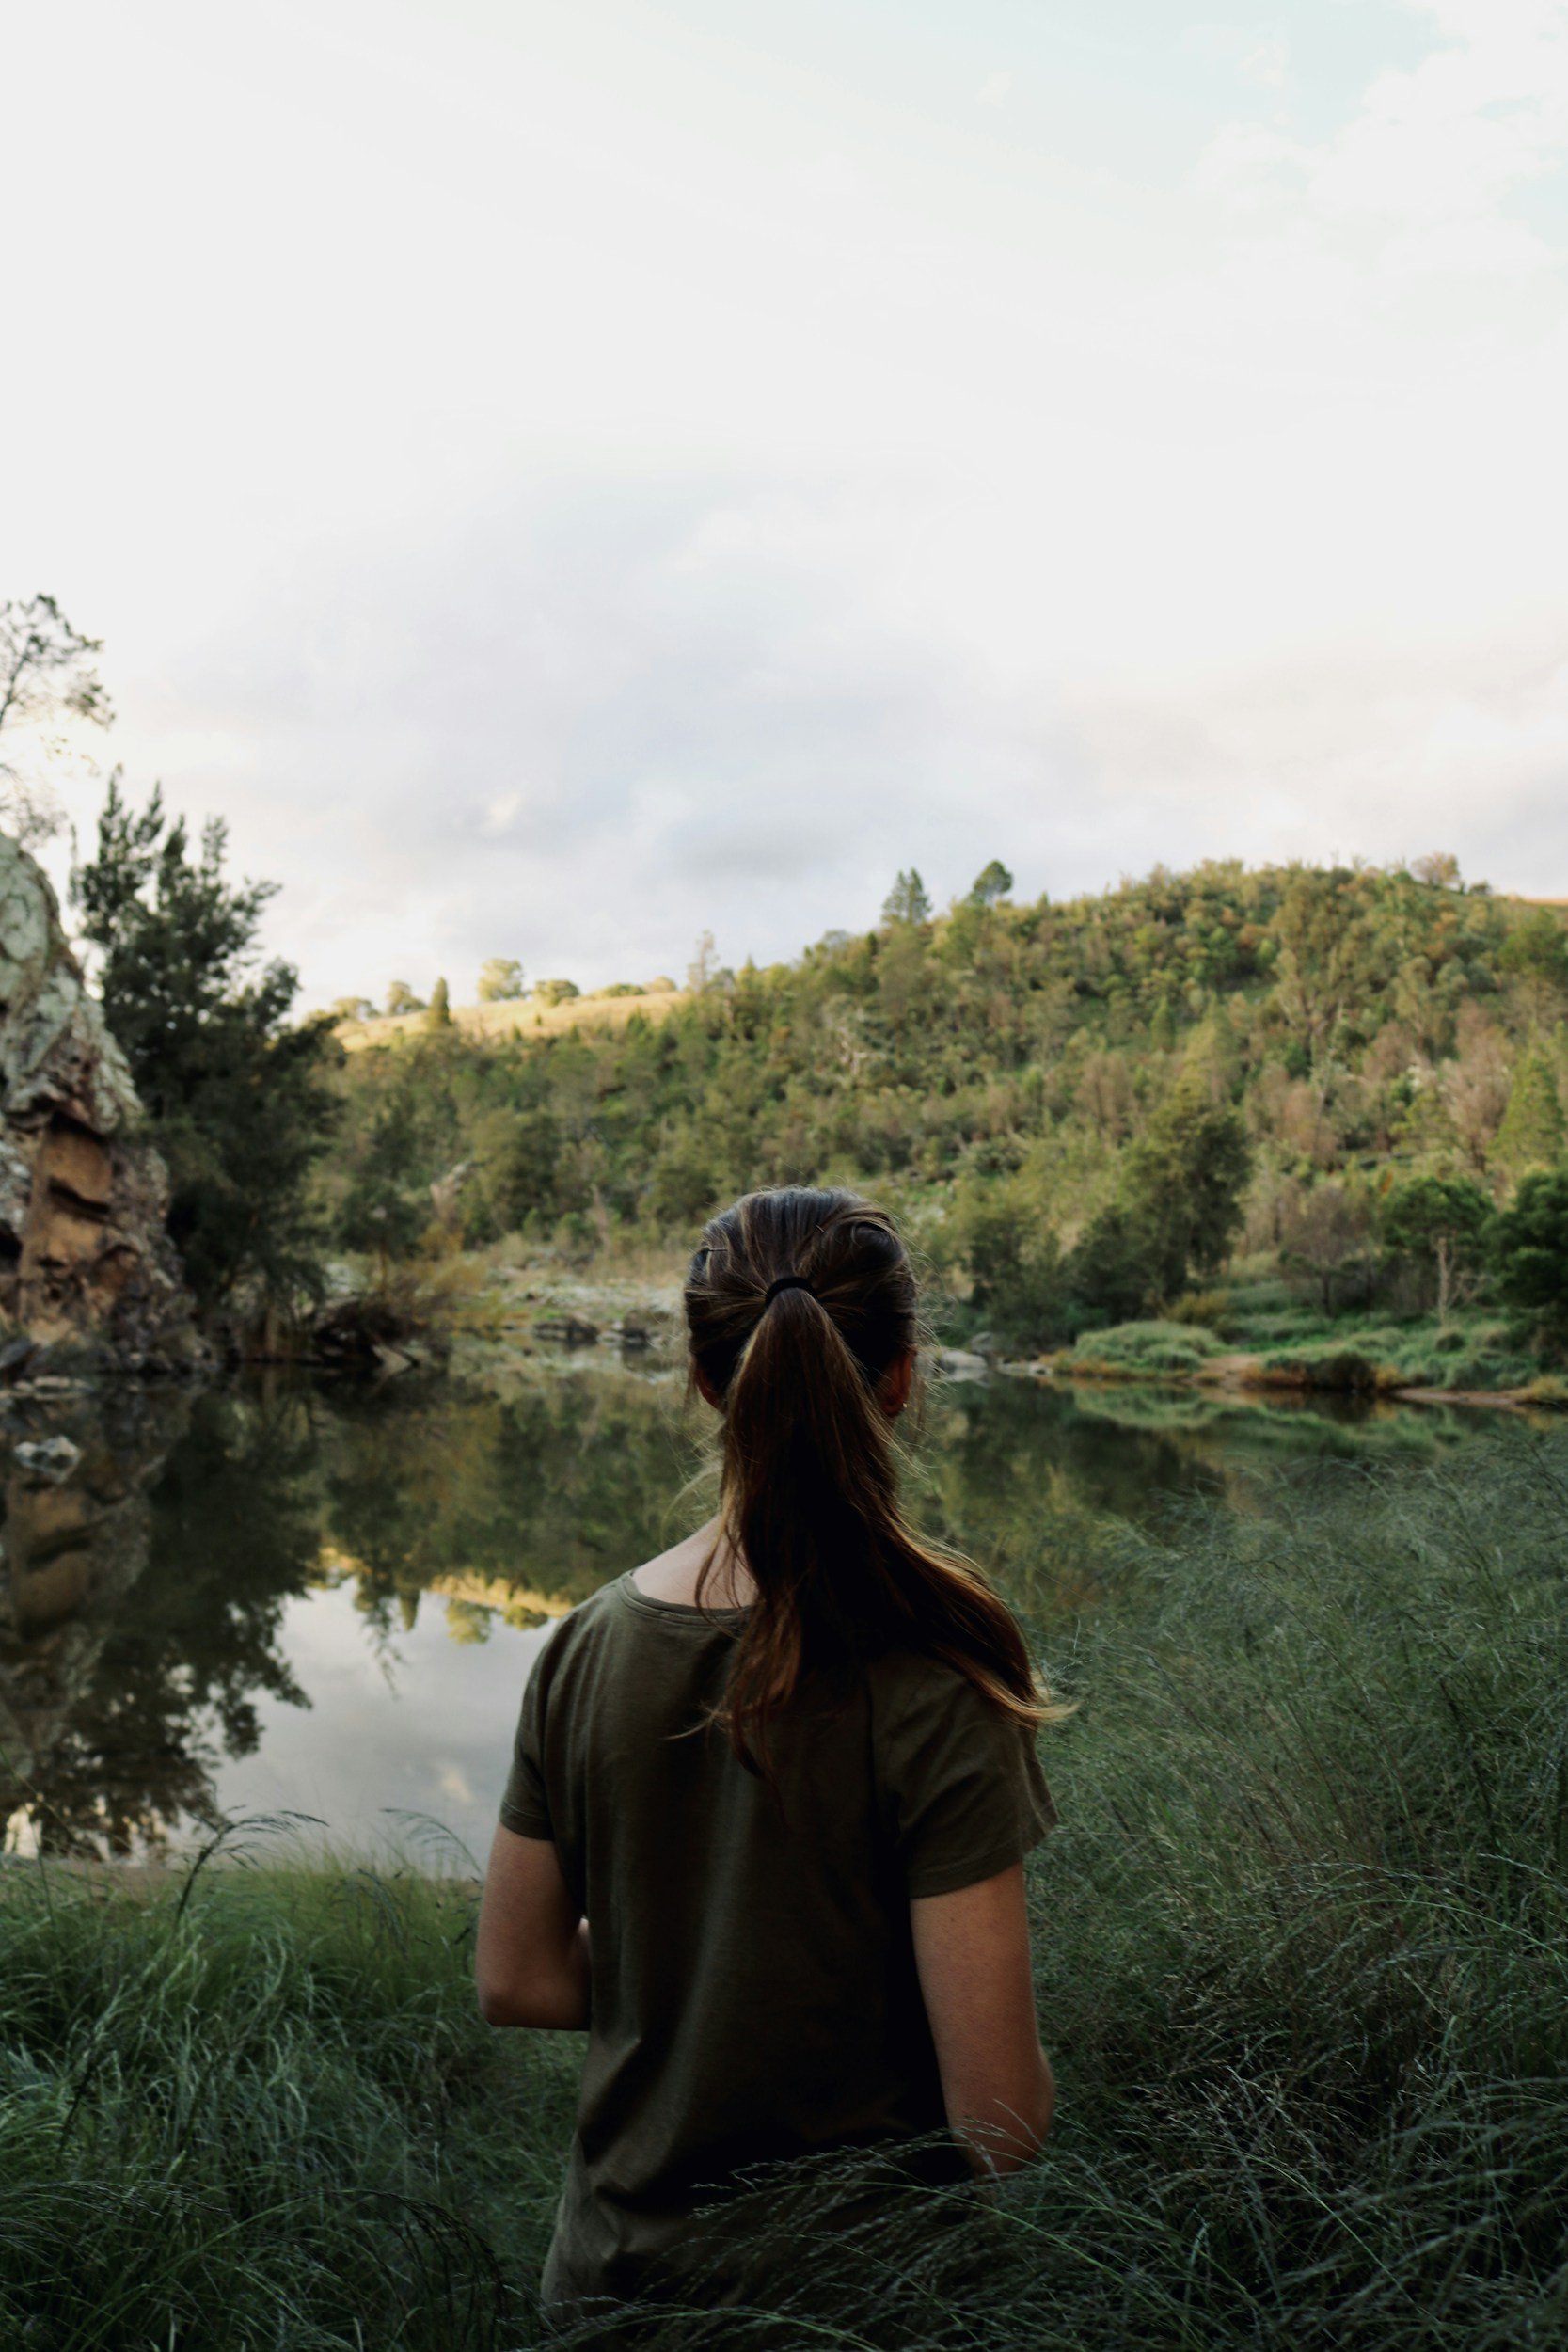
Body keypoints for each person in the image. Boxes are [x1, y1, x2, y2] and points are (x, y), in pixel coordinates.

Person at [475, 1185, 1057, 2322]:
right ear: (901, 1378)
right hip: (859, 2312)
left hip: (613, 2304)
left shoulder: (585, 1645)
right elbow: (1001, 2125)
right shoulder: (939, 1670)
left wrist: (690, 1960)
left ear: (704, 1382)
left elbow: (518, 1976)